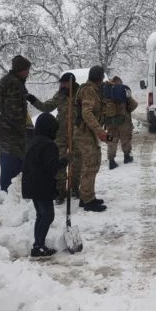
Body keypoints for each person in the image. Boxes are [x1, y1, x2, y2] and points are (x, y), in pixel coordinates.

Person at [27, 72, 83, 204]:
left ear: (71, 83)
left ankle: (75, 188)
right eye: (61, 83)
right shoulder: (60, 95)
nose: (62, 86)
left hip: (77, 134)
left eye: (65, 83)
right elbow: (46, 107)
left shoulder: (80, 94)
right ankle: (60, 191)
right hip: (61, 135)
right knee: (59, 162)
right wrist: (32, 99)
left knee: (77, 163)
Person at [22, 112, 68, 258]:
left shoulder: (34, 141)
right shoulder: (49, 145)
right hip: (41, 187)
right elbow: (52, 166)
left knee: (41, 215)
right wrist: (67, 160)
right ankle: (38, 246)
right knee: (47, 215)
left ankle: (38, 244)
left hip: (32, 185)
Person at [0, 55, 34, 192]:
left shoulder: (11, 81)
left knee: (13, 155)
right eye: (27, 70)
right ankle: (7, 190)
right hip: (6, 129)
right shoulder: (14, 84)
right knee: (11, 156)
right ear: (21, 70)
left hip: (1, 126)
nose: (28, 73)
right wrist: (25, 132)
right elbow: (14, 113)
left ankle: (12, 188)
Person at [74, 66, 109, 212]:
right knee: (89, 165)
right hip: (85, 133)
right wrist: (99, 131)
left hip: (88, 133)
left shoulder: (93, 89)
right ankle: (87, 200)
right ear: (101, 78)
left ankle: (88, 196)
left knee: (93, 163)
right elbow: (86, 113)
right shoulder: (89, 90)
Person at [104, 76, 138, 170]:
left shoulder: (106, 91)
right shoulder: (123, 90)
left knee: (111, 139)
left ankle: (111, 161)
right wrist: (127, 109)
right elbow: (134, 104)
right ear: (120, 82)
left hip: (110, 121)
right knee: (126, 138)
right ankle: (127, 157)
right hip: (124, 120)